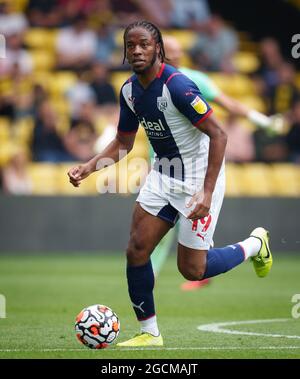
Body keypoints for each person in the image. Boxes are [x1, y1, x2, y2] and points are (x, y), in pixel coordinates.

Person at [68, 21, 273, 347]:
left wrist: (206, 190)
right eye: (131, 45)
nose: (137, 50)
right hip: (163, 176)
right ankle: (150, 334)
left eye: (144, 45)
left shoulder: (178, 87)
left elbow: (219, 134)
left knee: (192, 270)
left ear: (157, 49)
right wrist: (90, 167)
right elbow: (123, 141)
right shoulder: (130, 91)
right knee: (137, 249)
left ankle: (254, 245)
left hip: (197, 179)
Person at [151, 35, 277, 291]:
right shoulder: (147, 83)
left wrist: (262, 120)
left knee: (183, 237)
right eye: (166, 52)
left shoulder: (192, 80)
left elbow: (229, 105)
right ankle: (148, 284)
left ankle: (210, 266)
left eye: (175, 52)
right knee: (154, 232)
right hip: (160, 169)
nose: (170, 56)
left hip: (193, 171)